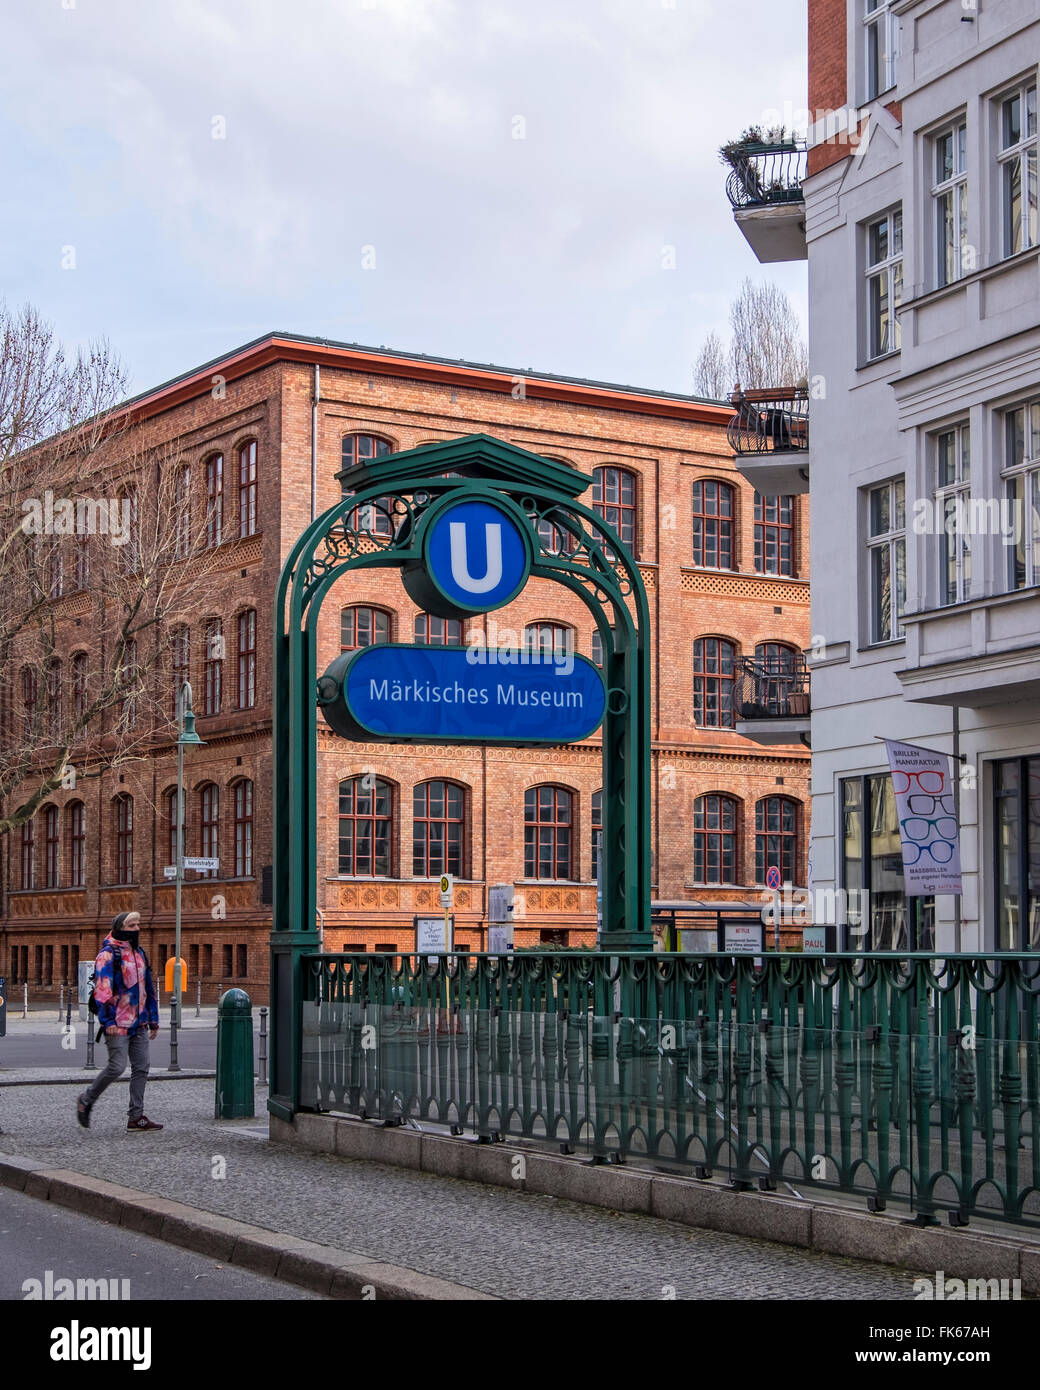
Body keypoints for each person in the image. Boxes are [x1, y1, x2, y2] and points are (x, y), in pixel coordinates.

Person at [76, 912, 163, 1132]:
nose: (136, 928)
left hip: (140, 1022)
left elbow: (148, 988)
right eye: (131, 925)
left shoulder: (139, 952)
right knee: (116, 1067)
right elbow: (102, 992)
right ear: (120, 927)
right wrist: (107, 1021)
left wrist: (153, 1019)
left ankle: (136, 1117)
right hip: (117, 1023)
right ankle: (86, 1099)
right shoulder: (108, 954)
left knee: (142, 1068)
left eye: (138, 924)